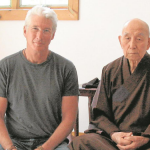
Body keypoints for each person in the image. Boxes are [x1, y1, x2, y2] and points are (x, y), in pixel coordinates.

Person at [0, 5, 79, 150]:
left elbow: (69, 120)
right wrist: (9, 147)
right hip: (14, 141)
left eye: (46, 30)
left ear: (53, 35)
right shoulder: (5, 67)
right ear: (25, 31)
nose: (39, 36)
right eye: (35, 28)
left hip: (52, 143)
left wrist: (45, 148)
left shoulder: (66, 69)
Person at [69, 18, 150, 150]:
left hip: (145, 140)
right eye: (127, 38)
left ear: (148, 43)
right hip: (113, 140)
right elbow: (100, 113)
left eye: (139, 39)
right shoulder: (110, 70)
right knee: (80, 143)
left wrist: (144, 138)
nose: (132, 45)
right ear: (120, 41)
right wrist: (115, 134)